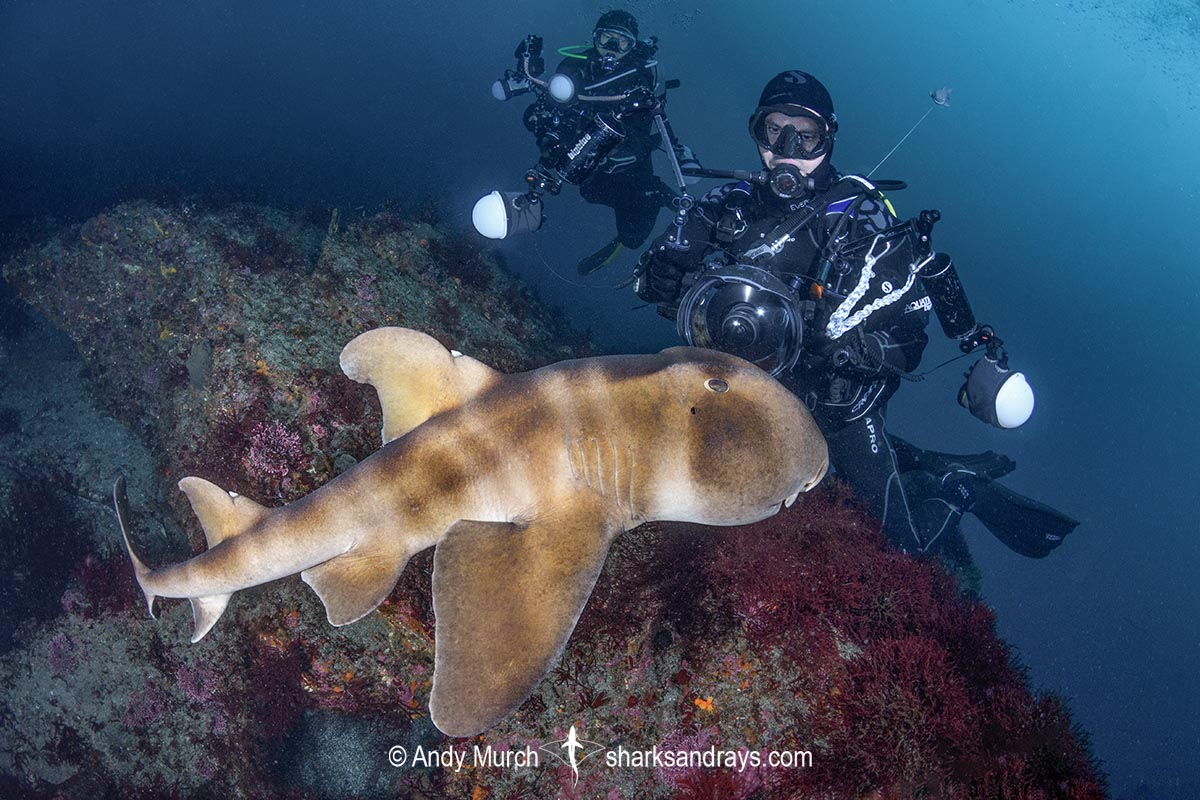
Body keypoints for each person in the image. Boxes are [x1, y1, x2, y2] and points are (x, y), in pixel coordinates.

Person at [634, 70, 1077, 559]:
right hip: (736, 383)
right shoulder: (726, 204)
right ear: (756, 133)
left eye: (805, 135)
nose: (788, 147)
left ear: (829, 137)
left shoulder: (862, 219)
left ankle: (956, 489)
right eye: (774, 130)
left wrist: (862, 353)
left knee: (898, 553)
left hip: (839, 405)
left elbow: (912, 336)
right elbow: (658, 280)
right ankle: (920, 459)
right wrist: (663, 275)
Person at [490, 10, 699, 274]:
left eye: (621, 41)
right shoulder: (575, 66)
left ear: (632, 46)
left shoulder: (641, 78)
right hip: (585, 155)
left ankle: (656, 194)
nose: (611, 47)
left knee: (633, 236)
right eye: (605, 39)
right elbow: (546, 109)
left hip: (628, 164)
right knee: (588, 190)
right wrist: (547, 131)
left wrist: (614, 150)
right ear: (594, 39)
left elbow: (645, 131)